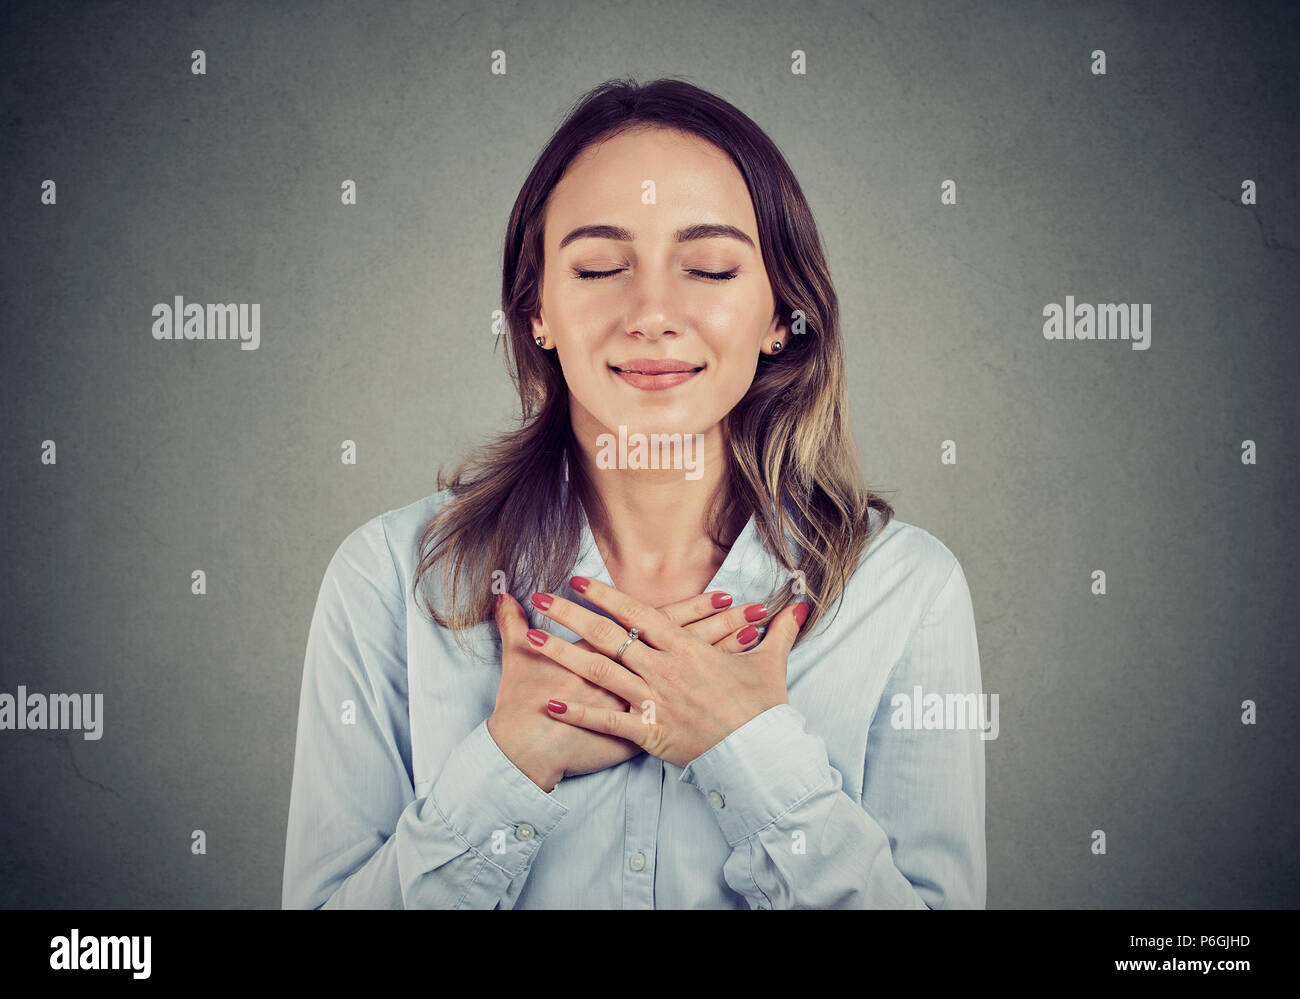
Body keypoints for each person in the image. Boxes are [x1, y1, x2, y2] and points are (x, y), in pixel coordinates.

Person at [282, 77, 986, 909]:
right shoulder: (387, 580)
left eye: (710, 267)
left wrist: (750, 751)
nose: (653, 312)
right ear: (536, 307)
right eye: (601, 266)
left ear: (778, 313)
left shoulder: (906, 592)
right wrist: (504, 770)